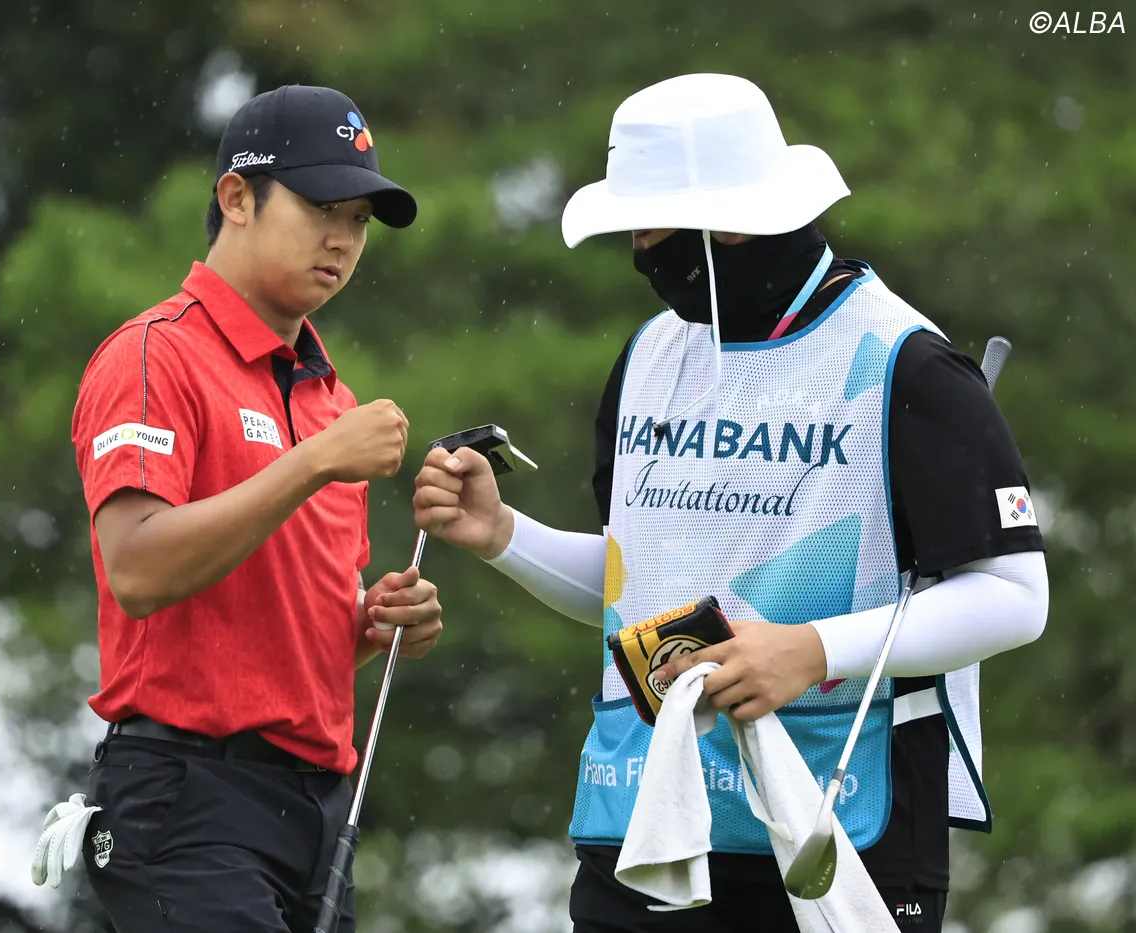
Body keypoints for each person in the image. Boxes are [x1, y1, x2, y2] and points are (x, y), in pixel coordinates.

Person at [413, 73, 1048, 932]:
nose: (639, 253)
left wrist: (810, 651)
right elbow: (633, 589)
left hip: (834, 830)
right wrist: (503, 534)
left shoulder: (910, 362)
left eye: (650, 228)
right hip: (644, 822)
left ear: (731, 224)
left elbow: (1014, 596)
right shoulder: (648, 357)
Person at [45, 84, 445, 933]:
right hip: (186, 798)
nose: (343, 239)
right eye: (321, 207)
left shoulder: (333, 402)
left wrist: (371, 626)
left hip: (318, 809)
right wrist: (313, 463)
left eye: (359, 220)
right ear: (236, 197)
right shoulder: (154, 354)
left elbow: (274, 637)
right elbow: (138, 569)